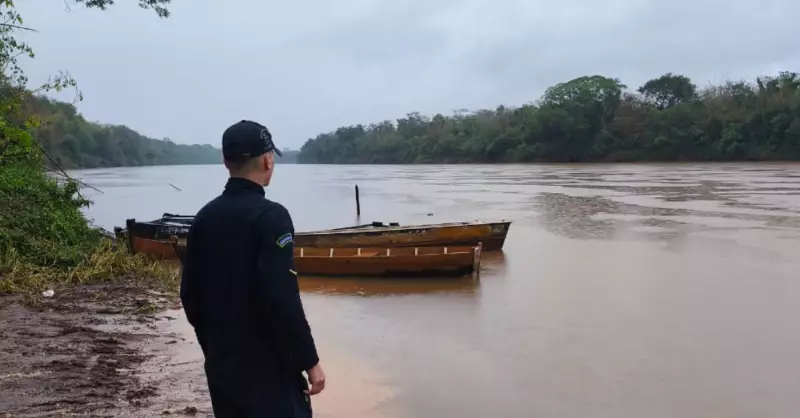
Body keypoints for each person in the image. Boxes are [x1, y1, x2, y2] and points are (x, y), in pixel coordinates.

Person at [180, 120, 326, 417]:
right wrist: (309, 360)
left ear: (225, 161)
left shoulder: (204, 218)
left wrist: (216, 348)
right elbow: (282, 295)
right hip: (269, 369)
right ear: (268, 159)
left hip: (223, 367)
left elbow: (190, 296)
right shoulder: (271, 217)